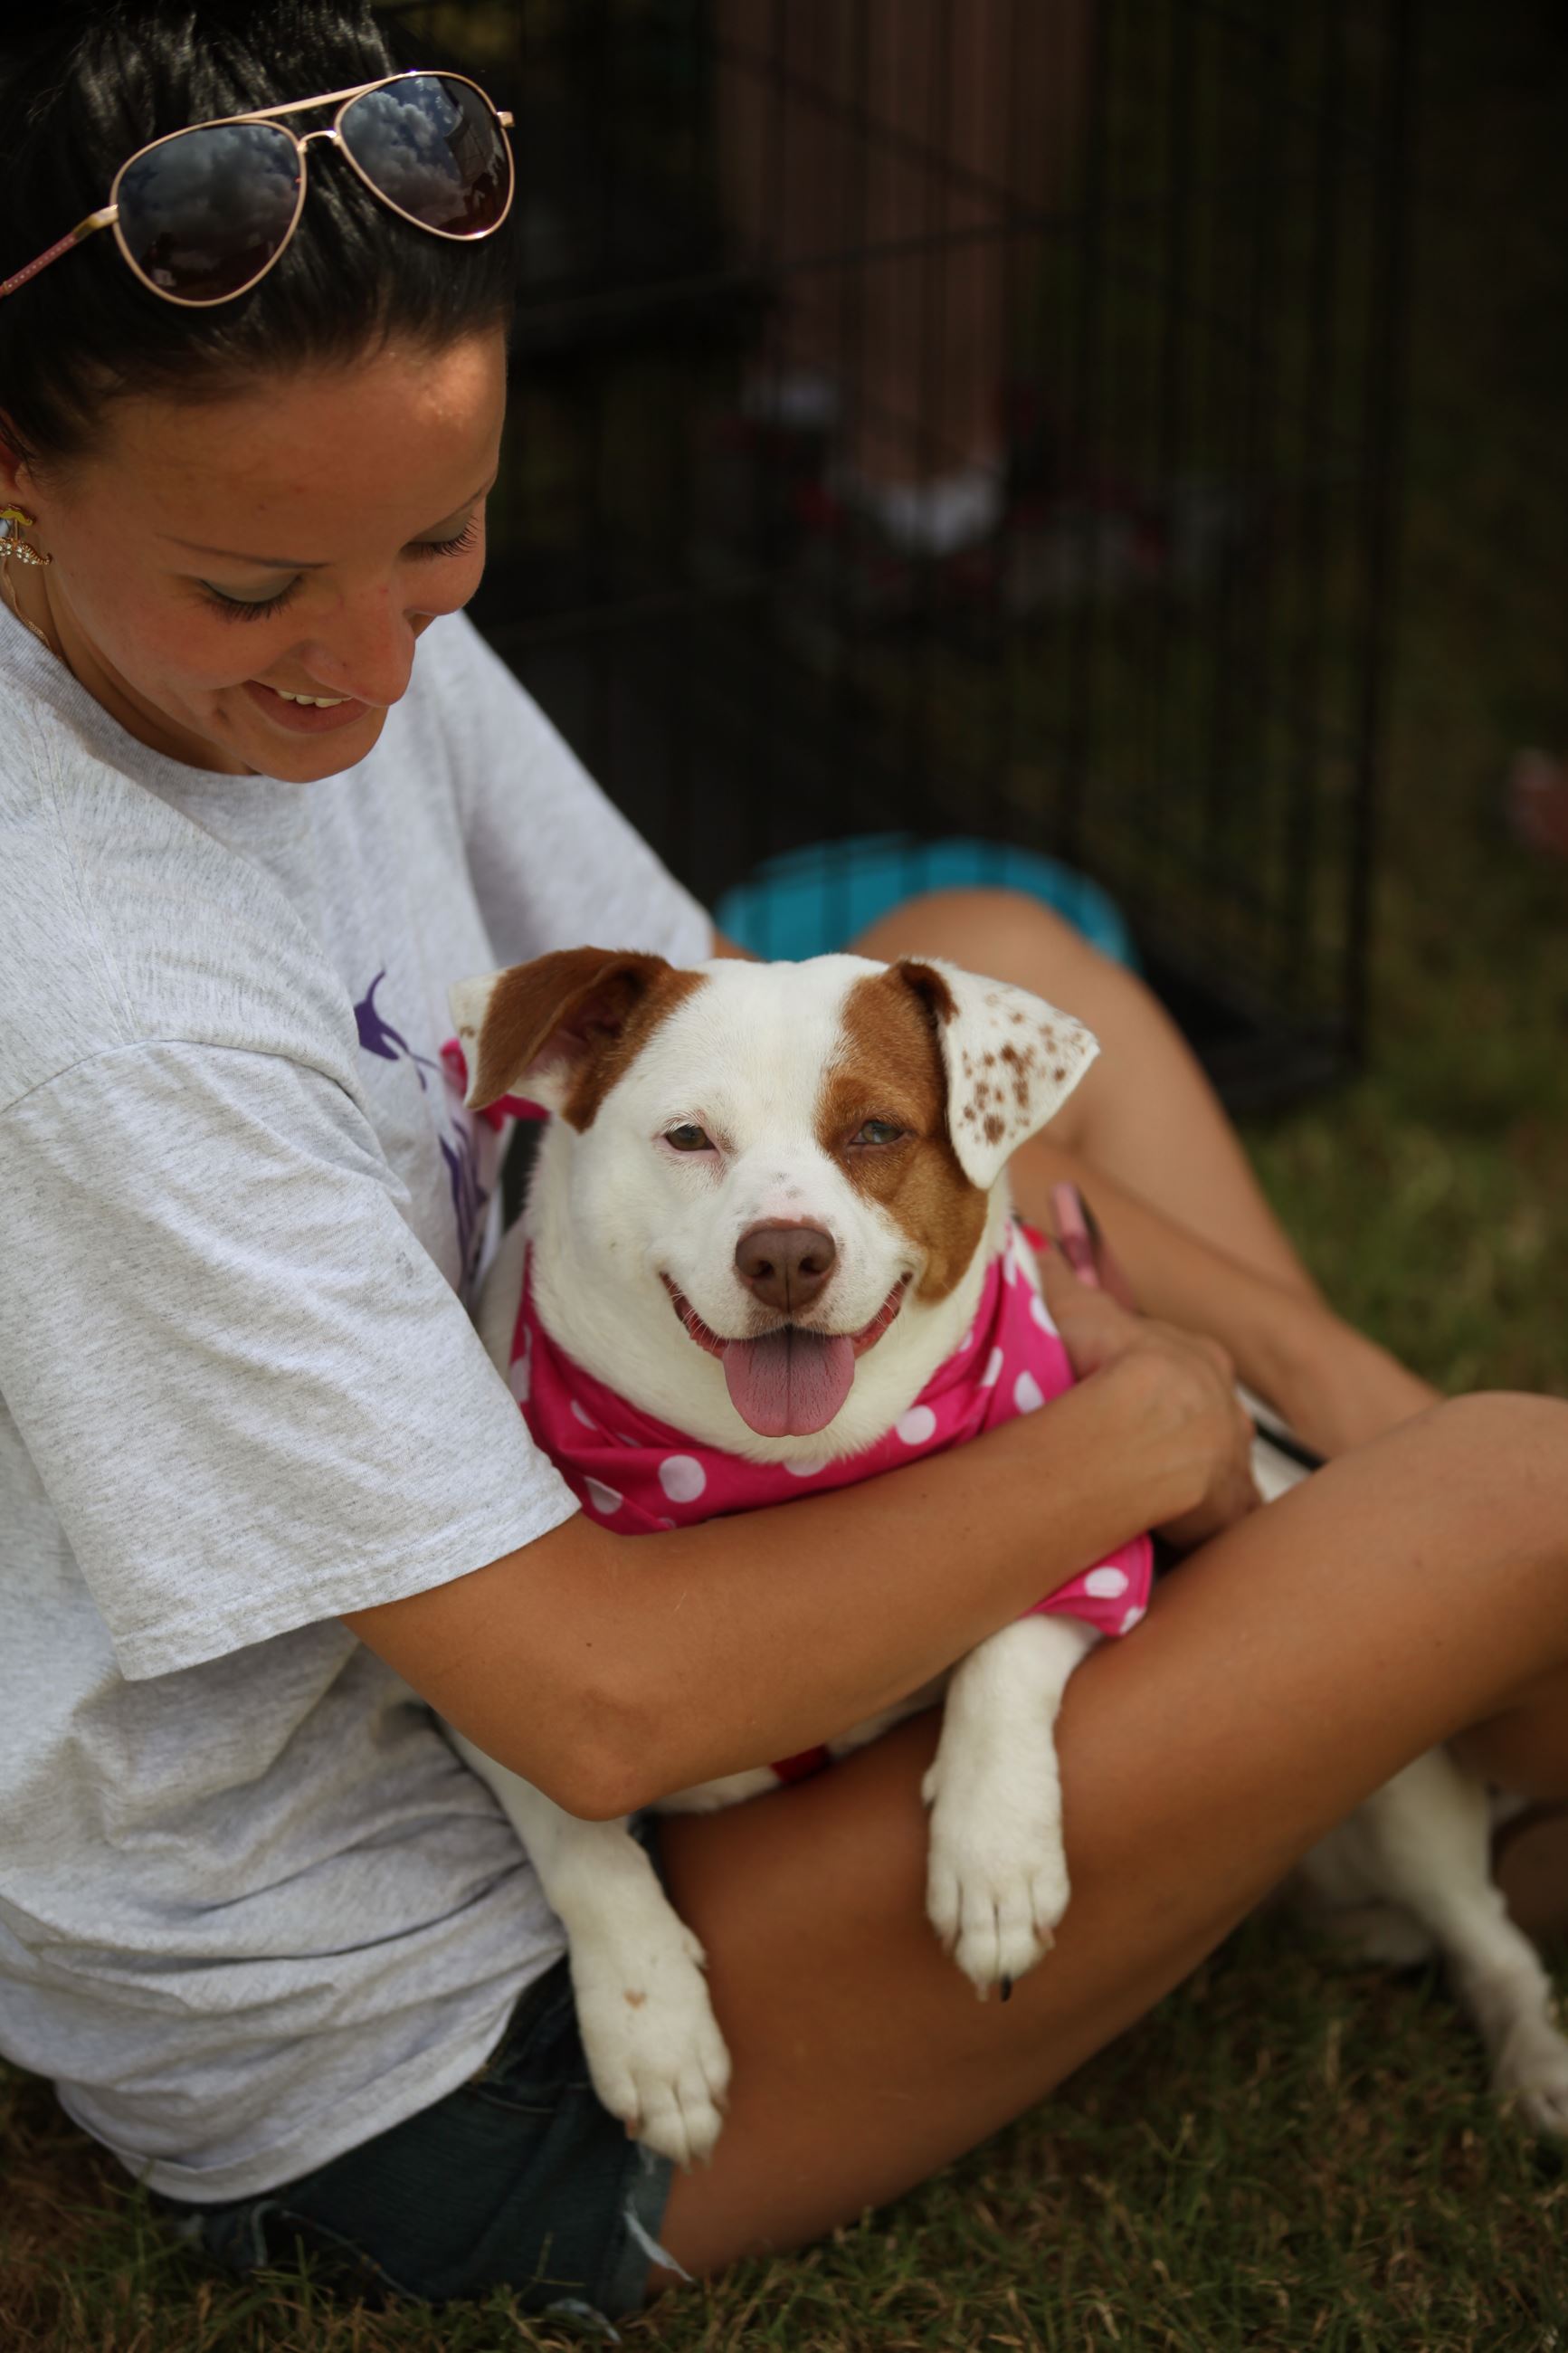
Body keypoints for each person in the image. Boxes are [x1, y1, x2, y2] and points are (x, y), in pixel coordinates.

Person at [1, 2, 1565, 2329]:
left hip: (650, 1493)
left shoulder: (308, 596)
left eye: (442, 541)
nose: (365, 671)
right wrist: (1133, 1436)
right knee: (1527, 1489)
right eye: (258, 596)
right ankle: (1444, 1642)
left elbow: (733, 996)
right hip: (457, 1992)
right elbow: (596, 1713)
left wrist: (1195, 1367)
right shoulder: (83, 994)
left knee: (1008, 955)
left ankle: (1428, 1636)